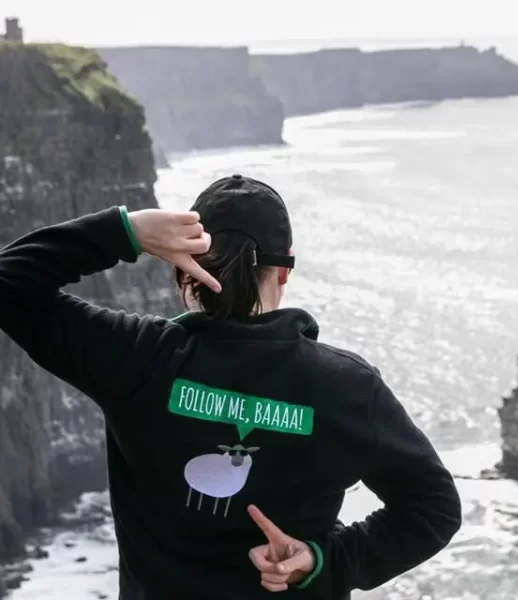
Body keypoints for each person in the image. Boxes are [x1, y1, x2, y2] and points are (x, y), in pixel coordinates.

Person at [0, 174, 462, 599]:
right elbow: (433, 509)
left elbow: (10, 283)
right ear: (284, 272)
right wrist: (325, 560)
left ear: (183, 270)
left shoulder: (136, 357)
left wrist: (129, 231)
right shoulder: (346, 387)